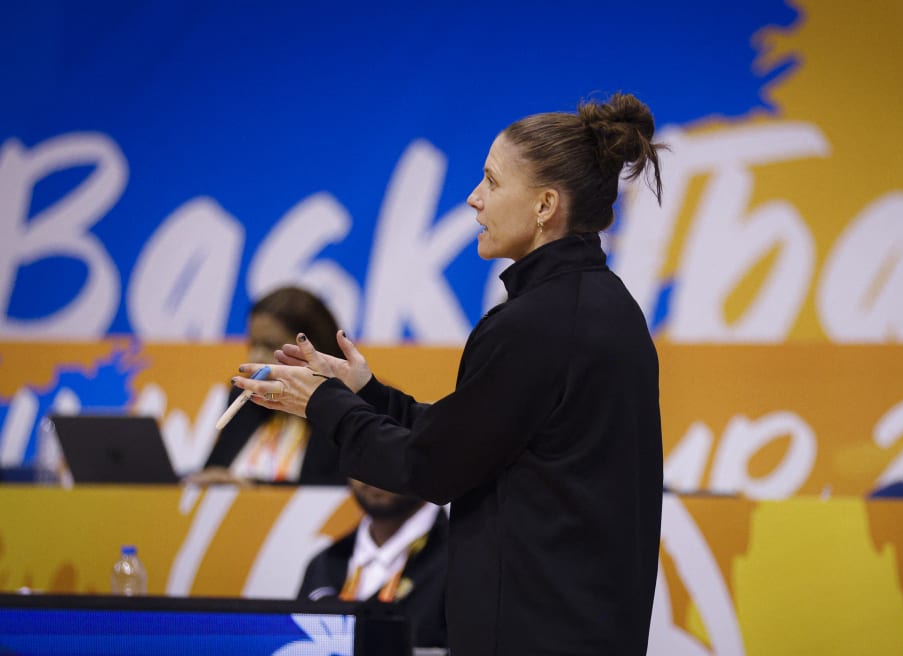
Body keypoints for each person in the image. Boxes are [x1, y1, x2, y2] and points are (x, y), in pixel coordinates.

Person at [234, 93, 665, 655]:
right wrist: (365, 392)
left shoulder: (535, 323)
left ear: (544, 205)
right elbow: (474, 440)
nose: (474, 199)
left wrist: (323, 404)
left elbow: (431, 469)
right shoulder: (608, 308)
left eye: (491, 181)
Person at [185, 286, 345, 486]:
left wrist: (253, 493)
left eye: (270, 346)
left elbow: (336, 492)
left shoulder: (348, 408)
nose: (256, 358)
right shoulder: (246, 399)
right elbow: (215, 471)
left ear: (314, 349)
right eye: (253, 345)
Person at [298, 478, 448, 649]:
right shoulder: (322, 564)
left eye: (389, 453)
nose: (372, 471)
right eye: (361, 452)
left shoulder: (462, 563)